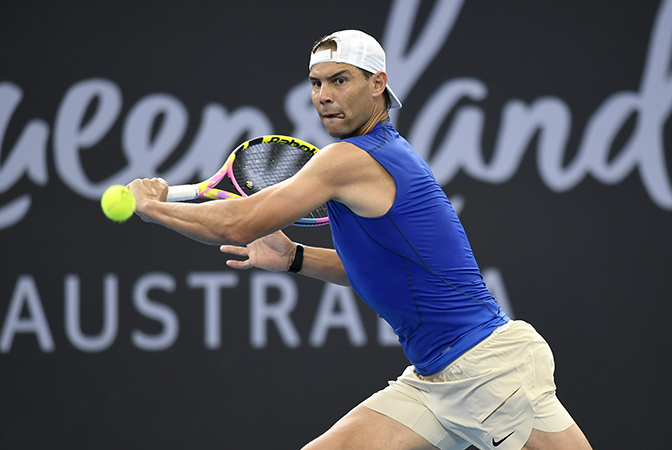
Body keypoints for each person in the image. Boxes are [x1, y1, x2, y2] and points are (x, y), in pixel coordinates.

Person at [128, 30, 593, 450]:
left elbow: (238, 223)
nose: (324, 96)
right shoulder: (371, 157)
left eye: (340, 80)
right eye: (316, 83)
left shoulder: (347, 161)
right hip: (434, 378)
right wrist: (294, 258)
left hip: (489, 370)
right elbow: (377, 272)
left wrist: (155, 208)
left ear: (377, 84)